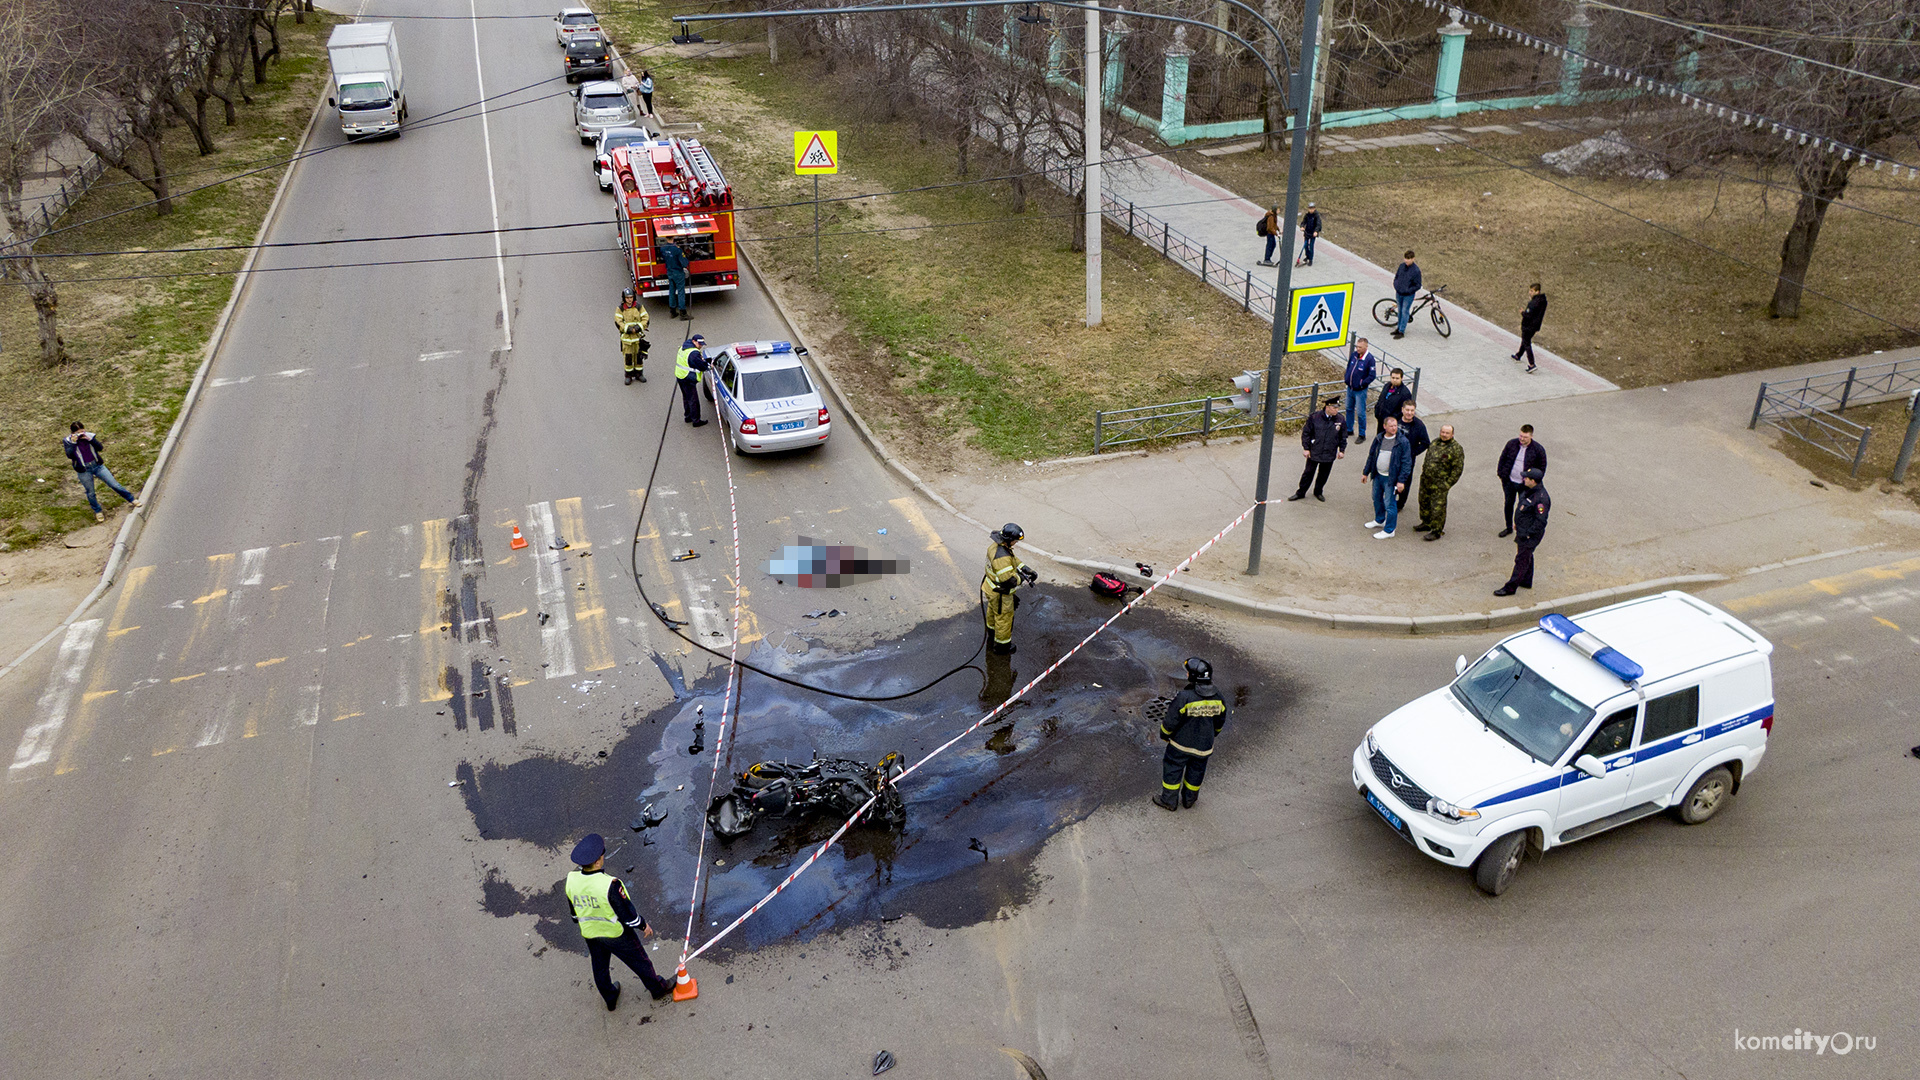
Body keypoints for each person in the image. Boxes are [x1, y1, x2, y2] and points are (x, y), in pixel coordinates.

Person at [565, 833, 674, 1011]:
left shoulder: (571, 879)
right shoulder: (610, 884)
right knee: (640, 962)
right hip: (616, 934)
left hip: (591, 933)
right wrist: (643, 925)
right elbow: (627, 915)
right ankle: (657, 988)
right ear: (598, 862)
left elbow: (574, 913)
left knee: (600, 968)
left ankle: (610, 996)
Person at [1155, 657, 1229, 810]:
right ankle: (1189, 800)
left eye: (1188, 673)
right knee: (1196, 773)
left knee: (1173, 769)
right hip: (1204, 747)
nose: (1187, 675)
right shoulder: (1218, 698)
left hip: (1180, 745)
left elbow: (1171, 721)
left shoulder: (1185, 697)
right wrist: (1212, 735)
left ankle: (1169, 801)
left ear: (1194, 677)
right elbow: (1219, 722)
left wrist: (1164, 734)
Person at [980, 522, 1036, 655]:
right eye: (1015, 540)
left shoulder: (997, 547)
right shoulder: (1002, 557)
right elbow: (1009, 580)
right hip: (1000, 594)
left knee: (993, 612)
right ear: (1009, 540)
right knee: (1004, 618)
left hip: (990, 588)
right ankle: (1002, 646)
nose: (1016, 543)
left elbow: (1012, 559)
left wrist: (1025, 568)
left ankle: (992, 632)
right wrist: (1022, 578)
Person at [63, 422, 137, 522]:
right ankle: (98, 511)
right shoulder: (68, 441)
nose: (81, 434)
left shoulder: (89, 436)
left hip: (97, 466)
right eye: (78, 433)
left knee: (114, 484)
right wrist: (73, 443)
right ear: (73, 433)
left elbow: (100, 448)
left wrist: (90, 439)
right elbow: (70, 455)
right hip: (84, 470)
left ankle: (131, 499)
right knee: (91, 492)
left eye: (82, 431)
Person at [1494, 468, 1550, 596]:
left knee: (1521, 560)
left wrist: (1528, 533)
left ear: (1533, 481)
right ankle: (1526, 580)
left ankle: (1510, 587)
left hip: (1529, 535)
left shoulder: (1541, 498)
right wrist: (1518, 524)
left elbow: (1541, 521)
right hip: (1523, 531)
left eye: (1526, 478)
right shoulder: (1529, 491)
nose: (1524, 479)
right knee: (1526, 556)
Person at [1361, 414, 1412, 539]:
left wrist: (1401, 481)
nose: (1394, 428)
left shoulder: (1402, 441)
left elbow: (1406, 462)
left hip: (1391, 479)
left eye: (1395, 426)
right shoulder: (1379, 438)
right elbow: (1372, 455)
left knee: (1390, 504)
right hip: (1378, 475)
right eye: (1391, 426)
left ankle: (1389, 530)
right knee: (1376, 498)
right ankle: (1380, 520)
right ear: (1384, 426)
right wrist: (1365, 472)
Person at [1288, 396, 1346, 502]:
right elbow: (1306, 433)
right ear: (1327, 407)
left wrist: (1342, 450)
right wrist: (1306, 448)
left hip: (1329, 451)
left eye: (1337, 408)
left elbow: (1343, 436)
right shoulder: (1315, 417)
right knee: (1308, 473)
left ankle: (1318, 491)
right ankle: (1301, 492)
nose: (1337, 410)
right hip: (1315, 450)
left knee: (1323, 474)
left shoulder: (1340, 419)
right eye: (1334, 408)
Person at [1413, 424, 1463, 540]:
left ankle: (1436, 531)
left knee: (1437, 508)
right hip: (1426, 480)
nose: (1444, 435)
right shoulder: (1435, 442)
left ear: (1452, 434)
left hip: (1440, 484)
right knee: (1424, 502)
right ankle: (1426, 523)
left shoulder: (1456, 449)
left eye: (1447, 433)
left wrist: (1447, 484)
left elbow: (1457, 470)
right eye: (1442, 432)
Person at [1496, 424, 1548, 537]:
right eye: (1521, 436)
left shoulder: (1538, 450)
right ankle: (1508, 527)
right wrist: (1501, 474)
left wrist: (1533, 482)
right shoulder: (1511, 444)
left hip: (1526, 486)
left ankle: (1521, 529)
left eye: (1525, 437)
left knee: (1523, 508)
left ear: (1531, 436)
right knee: (1508, 504)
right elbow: (1502, 458)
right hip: (1509, 482)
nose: (1522, 439)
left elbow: (1541, 469)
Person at [1393, 399, 1430, 511]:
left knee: (1405, 481)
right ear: (1402, 410)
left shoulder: (1418, 425)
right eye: (1407, 410)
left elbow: (1425, 443)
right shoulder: (1396, 419)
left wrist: (1412, 453)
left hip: (1407, 460)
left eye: (1412, 410)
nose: (1409, 413)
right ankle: (1390, 499)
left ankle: (1400, 504)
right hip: (1393, 456)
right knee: (1391, 478)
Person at [1341, 337, 1376, 440]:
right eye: (1357, 346)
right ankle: (1349, 429)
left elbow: (1372, 375)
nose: (1358, 349)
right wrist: (1346, 377)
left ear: (1366, 347)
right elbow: (1348, 367)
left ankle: (1362, 434)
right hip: (1350, 388)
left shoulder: (1370, 359)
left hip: (1360, 391)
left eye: (1360, 347)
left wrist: (1362, 384)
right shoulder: (1354, 355)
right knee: (1348, 408)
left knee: (1360, 412)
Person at [615, 288, 649, 384]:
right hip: (626, 339)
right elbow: (618, 321)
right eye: (627, 298)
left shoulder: (639, 307)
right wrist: (628, 329)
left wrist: (639, 327)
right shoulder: (620, 309)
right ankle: (628, 375)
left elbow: (645, 318)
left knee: (639, 357)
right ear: (624, 298)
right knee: (628, 358)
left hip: (638, 337)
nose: (629, 300)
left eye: (631, 297)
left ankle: (639, 374)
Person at [675, 334, 710, 426]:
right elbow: (701, 366)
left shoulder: (684, 347)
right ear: (694, 341)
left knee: (686, 397)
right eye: (699, 344)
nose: (701, 346)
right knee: (693, 400)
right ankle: (696, 421)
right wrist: (708, 366)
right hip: (687, 378)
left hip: (680, 375)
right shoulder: (693, 353)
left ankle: (688, 416)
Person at [1513, 283, 1548, 372]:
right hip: (1535, 326)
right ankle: (1518, 355)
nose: (1530, 292)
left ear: (1537, 291)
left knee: (1526, 343)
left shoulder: (1533, 303)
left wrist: (1522, 312)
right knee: (1525, 340)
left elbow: (1528, 315)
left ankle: (1532, 364)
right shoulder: (1542, 301)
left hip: (1528, 326)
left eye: (1532, 291)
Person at [1392, 251, 1422, 339]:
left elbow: (1418, 285)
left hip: (1408, 295)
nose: (1406, 260)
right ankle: (1398, 328)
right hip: (1399, 292)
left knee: (1405, 311)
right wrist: (1396, 285)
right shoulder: (1401, 266)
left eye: (1408, 259)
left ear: (1413, 259)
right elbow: (1397, 276)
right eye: (1405, 258)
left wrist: (1408, 290)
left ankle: (1401, 331)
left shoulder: (1416, 271)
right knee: (1400, 310)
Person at [1372, 367, 1412, 434]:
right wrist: (1377, 411)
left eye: (1397, 378)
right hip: (1381, 419)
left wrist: (1393, 419)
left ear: (1401, 379)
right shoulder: (1387, 386)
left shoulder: (1405, 393)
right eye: (1393, 378)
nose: (1394, 380)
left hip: (1392, 423)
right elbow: (1381, 399)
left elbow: (1402, 411)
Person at [659, 238, 690, 319]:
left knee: (671, 291)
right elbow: (684, 263)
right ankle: (683, 312)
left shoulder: (663, 248)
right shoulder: (677, 249)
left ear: (665, 237)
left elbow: (663, 258)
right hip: (678, 272)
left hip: (670, 272)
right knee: (680, 291)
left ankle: (672, 311)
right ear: (673, 237)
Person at [1297, 202, 1322, 266]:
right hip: (1307, 232)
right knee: (1306, 245)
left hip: (1313, 233)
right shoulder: (1307, 215)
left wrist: (1316, 231)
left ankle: (1310, 259)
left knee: (1311, 246)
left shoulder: (1316, 216)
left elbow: (1318, 224)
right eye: (1310, 208)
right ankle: (1307, 256)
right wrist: (1302, 226)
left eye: (1312, 208)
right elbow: (1303, 222)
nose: (1311, 210)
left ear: (1314, 209)